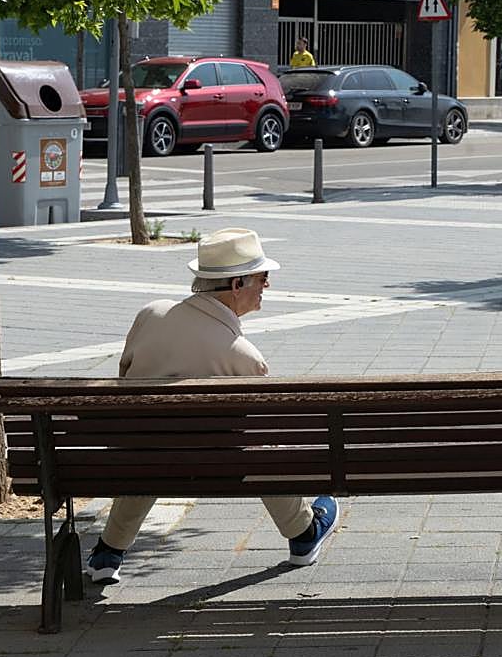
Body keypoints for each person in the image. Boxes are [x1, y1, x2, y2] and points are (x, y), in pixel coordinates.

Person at [85, 228, 338, 584]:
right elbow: (262, 432)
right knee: (260, 448)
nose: (267, 286)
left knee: (150, 439)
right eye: (263, 278)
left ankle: (109, 550)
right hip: (224, 466)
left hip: (142, 458)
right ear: (237, 284)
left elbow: (125, 377)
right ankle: (302, 532)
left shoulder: (151, 315)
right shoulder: (245, 358)